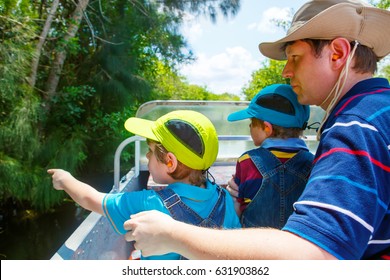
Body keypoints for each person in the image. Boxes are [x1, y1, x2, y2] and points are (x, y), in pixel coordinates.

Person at [123, 0, 390, 260]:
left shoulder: (357, 125)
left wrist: (174, 234)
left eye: (295, 58)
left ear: (338, 54)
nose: (286, 71)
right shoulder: (377, 109)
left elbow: (315, 257)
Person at [48, 110, 241, 260]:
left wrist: (65, 180)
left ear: (170, 162)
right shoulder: (223, 198)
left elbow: (90, 199)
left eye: (150, 151)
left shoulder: (147, 203)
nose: (147, 156)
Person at [225, 84, 313, 228]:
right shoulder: (314, 163)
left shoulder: (247, 161)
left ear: (267, 128)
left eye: (252, 123)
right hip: (297, 243)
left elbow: (238, 208)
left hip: (255, 245)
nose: (249, 127)